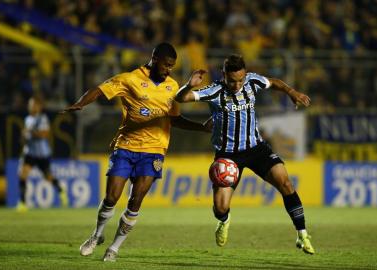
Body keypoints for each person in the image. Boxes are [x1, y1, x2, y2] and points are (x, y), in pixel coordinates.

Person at [63, 42, 209, 262]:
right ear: (154, 59)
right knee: (111, 197)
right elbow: (100, 90)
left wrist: (201, 127)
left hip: (154, 151)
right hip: (126, 146)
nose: (169, 69)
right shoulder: (130, 79)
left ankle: (114, 248)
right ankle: (97, 235)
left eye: (172, 66)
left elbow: (175, 119)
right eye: (166, 64)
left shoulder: (172, 86)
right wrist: (80, 103)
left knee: (136, 200)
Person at [175, 54, 315, 254]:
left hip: (256, 148)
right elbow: (181, 98)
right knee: (220, 207)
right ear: (224, 75)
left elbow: (274, 82)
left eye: (240, 79)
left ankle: (302, 234)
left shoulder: (252, 81)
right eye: (232, 81)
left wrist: (291, 92)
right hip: (227, 155)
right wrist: (189, 85)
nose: (237, 85)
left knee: (285, 183)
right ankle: (224, 221)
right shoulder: (215, 90)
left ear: (245, 74)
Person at [16, 97, 68, 212]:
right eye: (30, 105)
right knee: (22, 175)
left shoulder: (42, 118)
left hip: (42, 154)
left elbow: (45, 134)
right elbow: (26, 137)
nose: (31, 107)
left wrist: (30, 132)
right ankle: (22, 203)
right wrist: (23, 137)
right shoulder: (27, 119)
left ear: (39, 106)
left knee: (47, 177)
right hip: (29, 152)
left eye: (33, 105)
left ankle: (60, 189)